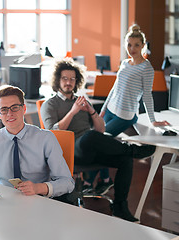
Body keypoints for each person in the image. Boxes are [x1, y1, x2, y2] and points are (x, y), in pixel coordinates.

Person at [40, 58, 156, 222]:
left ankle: (120, 207)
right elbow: (52, 132)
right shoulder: (50, 104)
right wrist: (73, 112)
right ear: (58, 80)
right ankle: (132, 149)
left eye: (72, 79)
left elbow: (101, 129)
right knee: (89, 136)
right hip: (67, 153)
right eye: (65, 79)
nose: (69, 82)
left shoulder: (81, 102)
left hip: (89, 148)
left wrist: (91, 111)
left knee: (124, 159)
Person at [0, 85, 74, 199]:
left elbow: (67, 182)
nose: (10, 114)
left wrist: (38, 188)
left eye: (15, 107)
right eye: (4, 110)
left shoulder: (45, 138)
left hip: (38, 199)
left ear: (24, 108)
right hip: (4, 201)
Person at [100, 24, 169, 137]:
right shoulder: (124, 63)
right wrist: (103, 109)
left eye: (136, 45)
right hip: (109, 109)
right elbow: (115, 87)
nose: (132, 49)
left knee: (100, 138)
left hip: (125, 115)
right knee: (96, 135)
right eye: (129, 45)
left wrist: (153, 120)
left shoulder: (146, 68)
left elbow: (147, 95)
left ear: (142, 45)